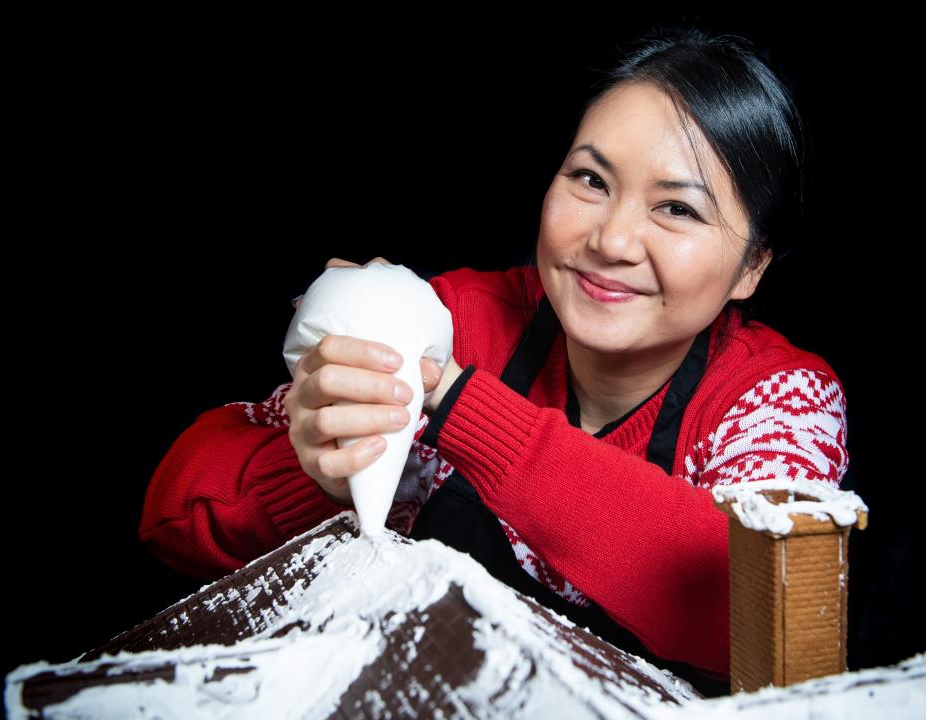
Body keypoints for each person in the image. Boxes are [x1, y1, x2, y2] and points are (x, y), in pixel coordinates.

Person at [138, 26, 848, 697]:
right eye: (592, 181)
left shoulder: (779, 398)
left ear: (753, 265)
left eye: (678, 211)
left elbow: (747, 605)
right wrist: (320, 473)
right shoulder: (451, 321)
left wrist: (458, 404)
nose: (613, 240)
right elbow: (171, 513)